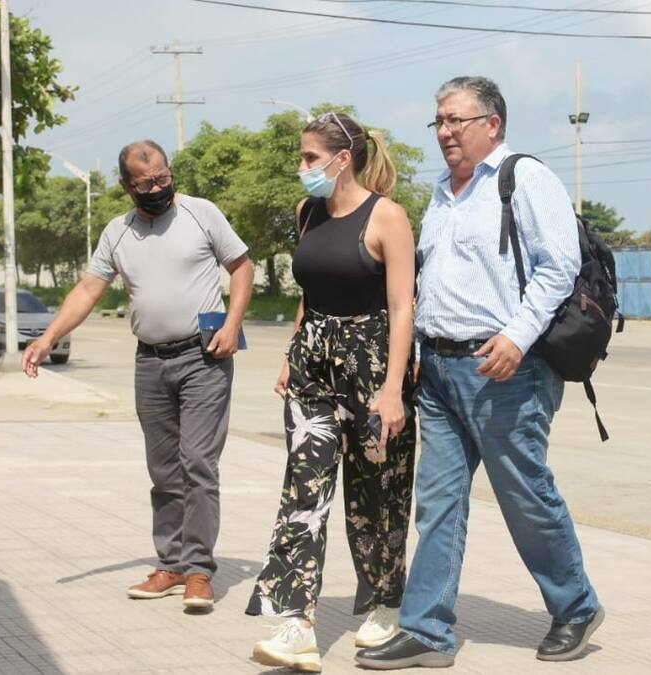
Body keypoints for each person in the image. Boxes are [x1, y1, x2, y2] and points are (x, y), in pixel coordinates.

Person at [355, 76, 603, 670]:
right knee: (437, 503)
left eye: (456, 121)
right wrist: (418, 350)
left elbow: (559, 267)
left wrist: (517, 337)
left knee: (524, 494)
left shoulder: (525, 178)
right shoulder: (443, 192)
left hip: (504, 369)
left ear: (492, 124)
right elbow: (431, 281)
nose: (444, 132)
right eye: (438, 121)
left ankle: (575, 606)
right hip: (439, 370)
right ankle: (427, 630)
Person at [22, 139, 253, 611]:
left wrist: (232, 324)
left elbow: (242, 267)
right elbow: (89, 290)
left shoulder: (202, 213)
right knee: (164, 469)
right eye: (145, 183)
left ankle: (198, 571)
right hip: (150, 362)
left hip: (204, 357)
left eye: (163, 178)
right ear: (126, 185)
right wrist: (48, 338)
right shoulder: (118, 232)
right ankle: (170, 564)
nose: (157, 188)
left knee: (198, 463)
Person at [245, 111, 418, 673]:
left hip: (372, 369)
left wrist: (393, 390)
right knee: (304, 491)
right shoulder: (308, 212)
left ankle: (386, 601)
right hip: (313, 367)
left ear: (343, 160)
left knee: (377, 496)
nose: (302, 167)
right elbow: (311, 292)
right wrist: (290, 354)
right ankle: (296, 623)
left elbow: (402, 308)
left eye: (309, 158)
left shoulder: (387, 217)